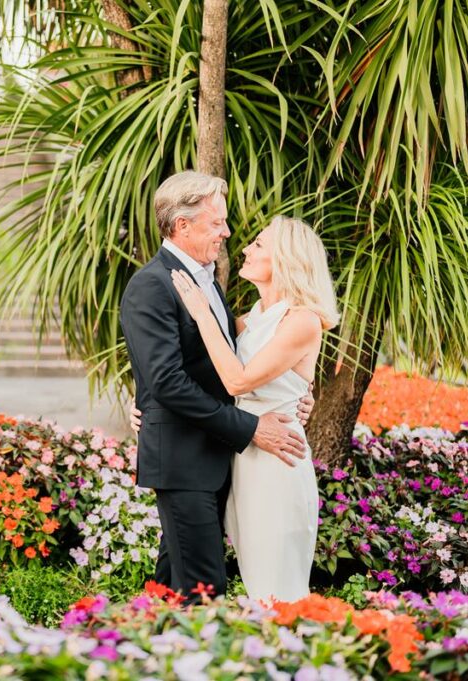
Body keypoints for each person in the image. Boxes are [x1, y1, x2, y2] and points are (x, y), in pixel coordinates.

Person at [119, 171, 314, 603]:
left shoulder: (207, 282)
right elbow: (166, 380)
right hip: (184, 460)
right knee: (204, 589)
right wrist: (249, 427)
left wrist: (299, 391)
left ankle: (145, 653)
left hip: (215, 459)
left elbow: (242, 360)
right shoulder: (151, 286)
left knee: (176, 586)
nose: (227, 232)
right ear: (182, 225)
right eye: (216, 223)